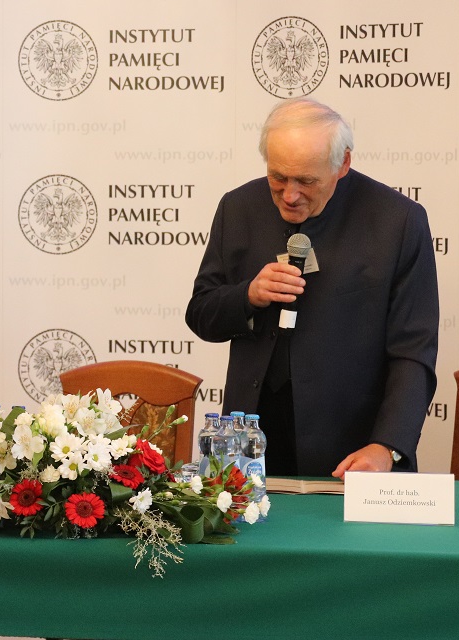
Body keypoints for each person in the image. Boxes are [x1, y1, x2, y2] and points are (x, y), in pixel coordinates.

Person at [184, 97, 438, 478]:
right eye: (278, 178)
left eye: (306, 181)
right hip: (248, 450)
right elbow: (202, 313)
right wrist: (248, 296)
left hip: (352, 451)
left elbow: (413, 352)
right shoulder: (238, 208)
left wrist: (387, 446)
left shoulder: (398, 222)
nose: (290, 195)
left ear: (343, 164)